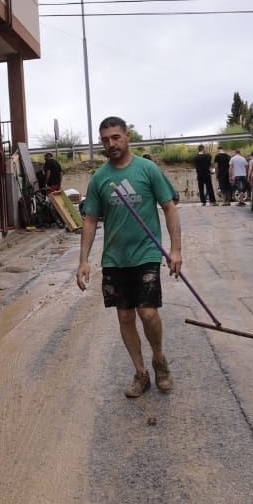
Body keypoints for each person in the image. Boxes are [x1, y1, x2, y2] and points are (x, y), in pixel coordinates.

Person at [76, 117, 182, 398]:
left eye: (115, 137)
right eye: (105, 140)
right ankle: (140, 373)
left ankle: (159, 360)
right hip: (114, 258)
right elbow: (89, 221)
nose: (110, 144)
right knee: (125, 317)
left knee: (147, 313)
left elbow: (170, 208)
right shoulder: (99, 179)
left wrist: (176, 250)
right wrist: (83, 260)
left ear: (127, 136)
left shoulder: (147, 170)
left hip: (146, 253)